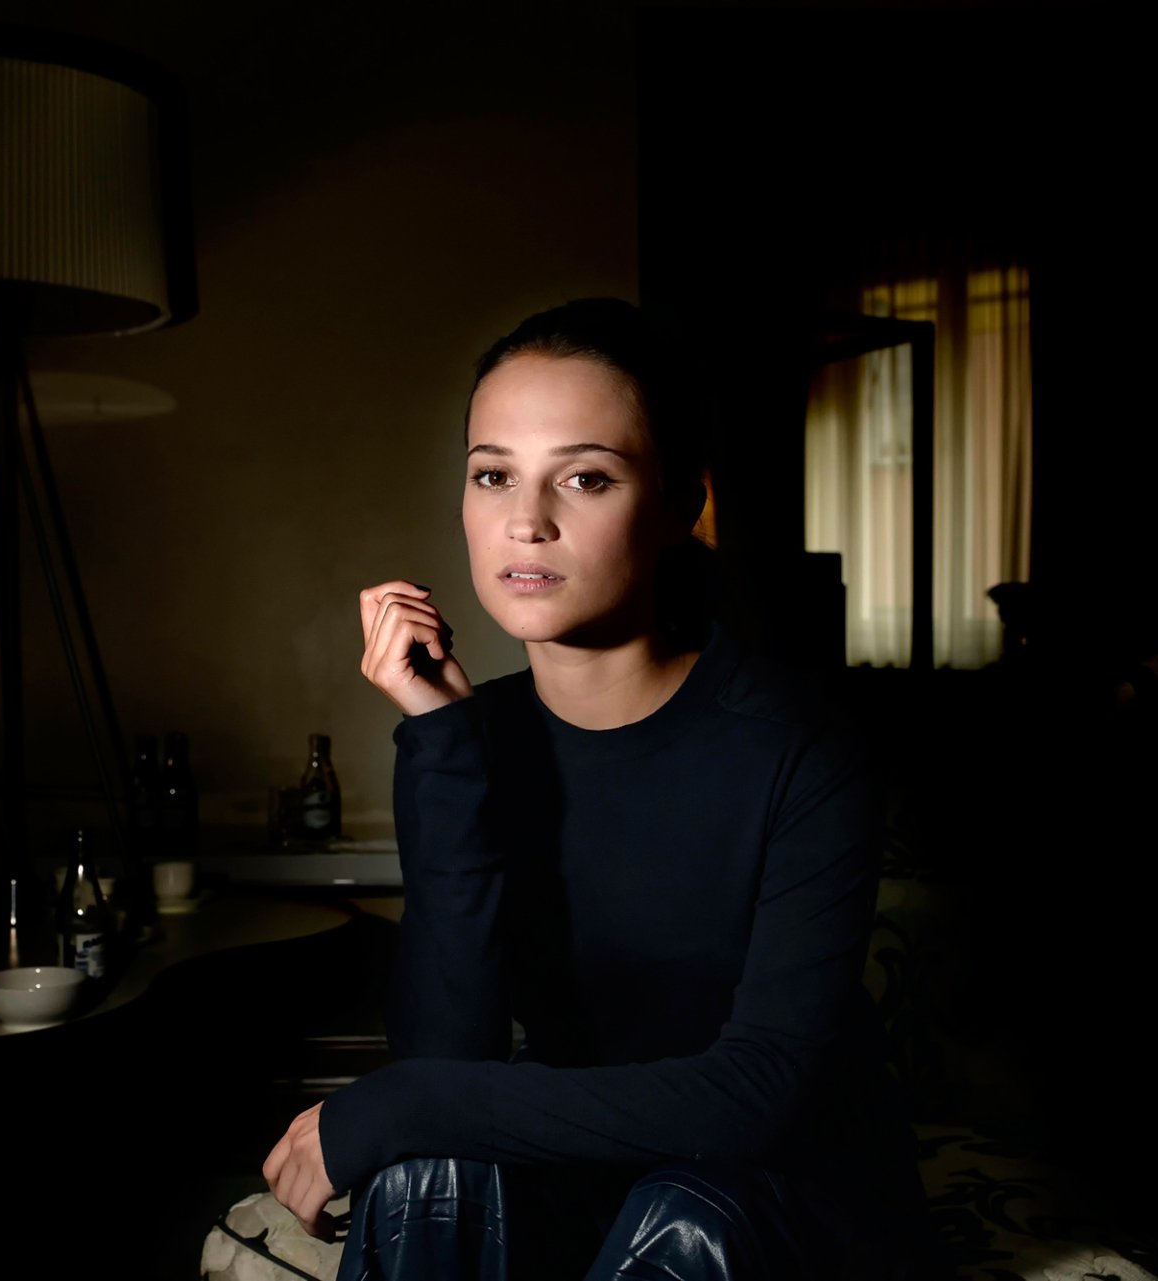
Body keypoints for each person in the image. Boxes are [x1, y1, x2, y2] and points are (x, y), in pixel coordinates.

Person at [261, 297, 934, 1280]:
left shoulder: (799, 744)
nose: (525, 523)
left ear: (677, 507)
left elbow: (761, 1093)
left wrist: (398, 1104)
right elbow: (452, 1047)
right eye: (493, 475)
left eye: (584, 477)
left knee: (682, 1219)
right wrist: (443, 743)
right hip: (588, 1168)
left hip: (773, 1187)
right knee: (424, 1180)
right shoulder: (470, 736)